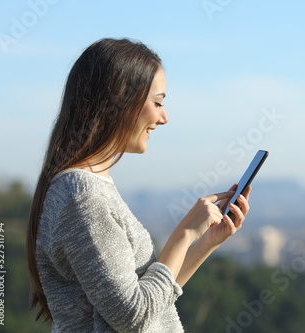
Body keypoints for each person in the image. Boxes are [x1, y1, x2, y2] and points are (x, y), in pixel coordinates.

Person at [26, 38, 252, 332]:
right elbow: (133, 318)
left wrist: (207, 241)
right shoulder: (82, 196)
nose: (164, 117)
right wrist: (184, 234)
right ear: (120, 99)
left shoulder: (90, 187)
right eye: (157, 102)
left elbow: (153, 297)